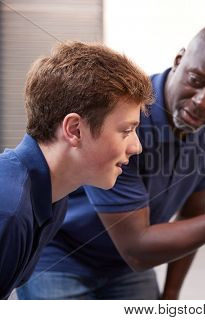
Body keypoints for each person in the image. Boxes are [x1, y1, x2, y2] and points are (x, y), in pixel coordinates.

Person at [18, 22, 205, 300]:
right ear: (178, 61)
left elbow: (193, 212)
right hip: (62, 256)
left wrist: (171, 295)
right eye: (196, 81)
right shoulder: (125, 115)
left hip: (125, 265)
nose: (202, 101)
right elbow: (137, 249)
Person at [0, 41, 153, 299]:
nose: (136, 146)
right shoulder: (10, 210)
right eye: (126, 130)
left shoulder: (53, 195)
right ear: (74, 130)